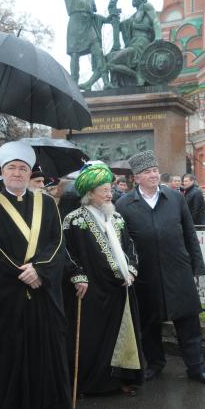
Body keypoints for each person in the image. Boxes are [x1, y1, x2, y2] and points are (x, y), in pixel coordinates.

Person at [0, 141, 72, 409]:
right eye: (12, 168)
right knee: (12, 358)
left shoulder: (48, 204)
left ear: (30, 173)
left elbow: (56, 243)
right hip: (9, 297)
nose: (17, 173)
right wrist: (22, 274)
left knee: (44, 353)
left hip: (42, 292)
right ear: (2, 172)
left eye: (23, 168)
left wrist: (40, 271)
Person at [116, 150, 205, 386]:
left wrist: (197, 269)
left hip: (178, 271)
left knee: (189, 323)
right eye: (147, 172)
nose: (153, 175)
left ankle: (196, 368)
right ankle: (155, 364)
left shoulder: (175, 198)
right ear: (136, 178)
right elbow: (121, 243)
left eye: (155, 170)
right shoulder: (124, 204)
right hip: (145, 276)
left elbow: (190, 234)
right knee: (149, 325)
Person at [63, 164, 143, 396]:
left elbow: (130, 247)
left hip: (120, 288)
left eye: (110, 189)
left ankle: (119, 379)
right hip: (91, 289)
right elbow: (67, 252)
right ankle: (90, 384)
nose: (110, 194)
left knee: (121, 333)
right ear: (90, 194)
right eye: (104, 190)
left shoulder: (116, 217)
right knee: (93, 337)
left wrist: (131, 270)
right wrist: (77, 275)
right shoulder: (74, 219)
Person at [47, 0, 109, 88]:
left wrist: (108, 18)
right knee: (75, 54)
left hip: (88, 25)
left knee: (98, 50)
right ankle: (74, 85)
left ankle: (106, 82)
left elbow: (94, 13)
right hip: (75, 24)